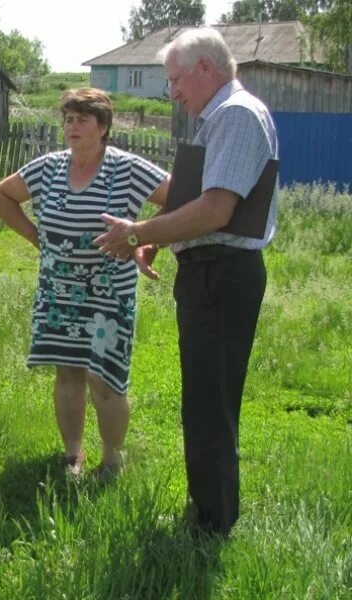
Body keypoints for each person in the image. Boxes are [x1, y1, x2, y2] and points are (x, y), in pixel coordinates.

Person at [95, 28, 278, 537]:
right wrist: (164, 240)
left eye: (176, 79)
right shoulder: (218, 117)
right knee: (202, 398)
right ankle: (207, 511)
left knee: (210, 404)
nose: (172, 91)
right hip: (208, 269)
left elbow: (218, 210)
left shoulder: (236, 114)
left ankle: (212, 525)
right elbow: (201, 206)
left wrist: (139, 232)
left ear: (205, 69)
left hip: (222, 274)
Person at [0, 88, 169, 478]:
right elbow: (1, 196)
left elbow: (180, 199)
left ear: (103, 127)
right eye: (68, 119)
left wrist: (145, 239)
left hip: (108, 293)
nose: (72, 127)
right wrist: (39, 239)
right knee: (67, 374)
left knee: (105, 378)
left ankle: (111, 462)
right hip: (58, 292)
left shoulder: (127, 169)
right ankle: (72, 456)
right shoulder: (49, 168)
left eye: (82, 119)